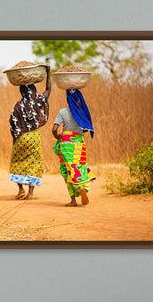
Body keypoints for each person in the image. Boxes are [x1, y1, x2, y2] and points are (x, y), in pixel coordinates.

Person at [9, 66, 51, 199]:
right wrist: (48, 72)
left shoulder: (18, 105)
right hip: (33, 137)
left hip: (21, 137)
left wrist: (16, 137)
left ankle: (20, 188)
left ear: (21, 92)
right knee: (33, 163)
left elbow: (12, 122)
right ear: (34, 90)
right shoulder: (38, 101)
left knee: (17, 162)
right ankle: (31, 193)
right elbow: (49, 89)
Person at [52, 88, 96, 206]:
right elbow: (87, 128)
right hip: (79, 143)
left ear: (67, 99)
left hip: (66, 143)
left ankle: (73, 200)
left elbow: (54, 129)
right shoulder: (82, 112)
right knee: (80, 166)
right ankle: (83, 187)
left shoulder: (63, 112)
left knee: (67, 169)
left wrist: (58, 137)